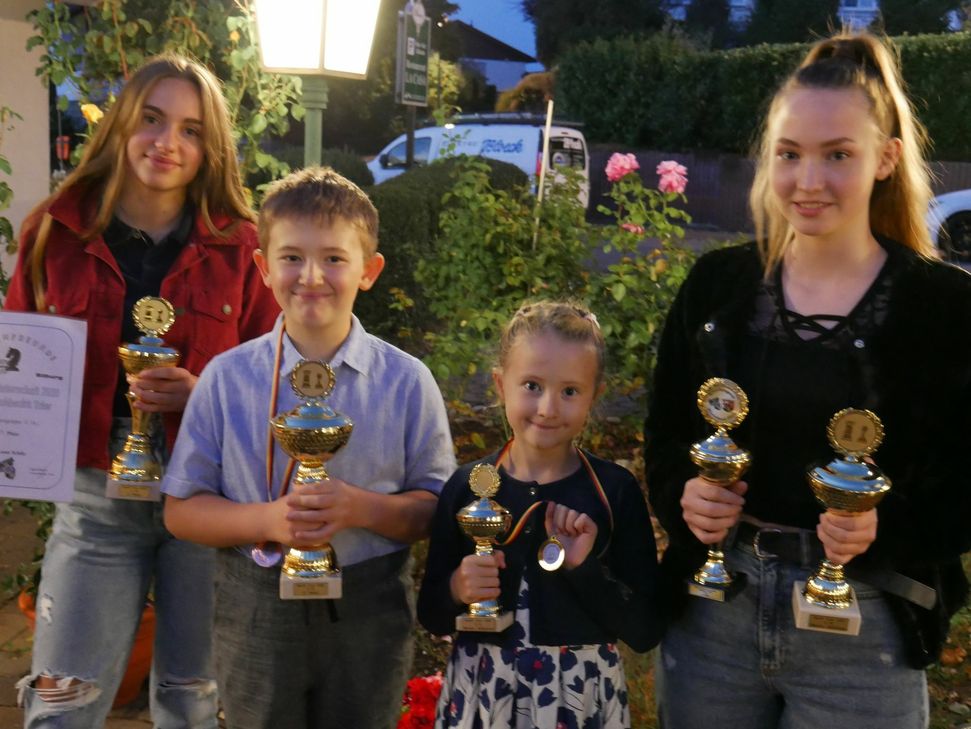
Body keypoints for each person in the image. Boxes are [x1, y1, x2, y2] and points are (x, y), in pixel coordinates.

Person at [644, 31, 971, 729]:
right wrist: (684, 494)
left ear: (884, 159)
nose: (807, 180)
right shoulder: (717, 289)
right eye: (789, 154)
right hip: (712, 617)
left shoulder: (943, 308)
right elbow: (668, 430)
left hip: (867, 628)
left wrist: (886, 529)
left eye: (837, 155)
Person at [4, 54, 279, 727]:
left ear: (209, 146)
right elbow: (19, 363)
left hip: (207, 497)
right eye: (152, 120)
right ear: (123, 122)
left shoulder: (243, 246)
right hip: (97, 497)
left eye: (190, 129)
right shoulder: (56, 231)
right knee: (60, 700)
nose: (168, 142)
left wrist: (203, 394)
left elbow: (274, 377)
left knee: (195, 701)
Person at [161, 165, 456, 729]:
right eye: (292, 256)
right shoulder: (226, 379)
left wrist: (360, 508)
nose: (311, 276)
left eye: (335, 259)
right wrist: (270, 519)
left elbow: (436, 508)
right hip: (255, 602)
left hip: (369, 608)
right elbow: (181, 512)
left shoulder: (406, 381)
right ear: (262, 267)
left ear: (369, 271)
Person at [419, 300, 661, 729]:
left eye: (570, 391)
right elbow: (432, 614)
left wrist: (584, 570)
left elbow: (644, 631)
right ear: (500, 384)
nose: (548, 407)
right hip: (482, 691)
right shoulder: (466, 487)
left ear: (594, 395)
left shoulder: (613, 492)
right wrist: (458, 586)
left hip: (579, 698)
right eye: (531, 385)